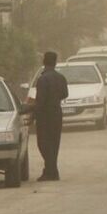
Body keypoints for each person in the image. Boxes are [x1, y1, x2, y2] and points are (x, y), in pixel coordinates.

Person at [29, 50, 68, 182]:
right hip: (56, 114)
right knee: (54, 143)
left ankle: (50, 172)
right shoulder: (61, 77)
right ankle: (51, 171)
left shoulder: (43, 79)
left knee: (43, 144)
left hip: (45, 116)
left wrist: (33, 115)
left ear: (44, 61)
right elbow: (65, 94)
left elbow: (40, 101)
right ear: (55, 62)